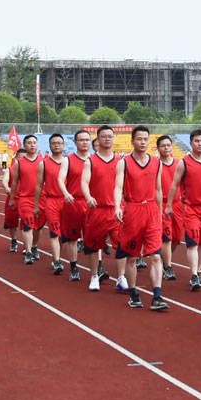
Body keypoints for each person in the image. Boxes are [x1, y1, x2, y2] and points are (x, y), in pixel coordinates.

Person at [114, 126, 168, 311]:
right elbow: (117, 188)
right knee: (131, 257)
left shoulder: (156, 162)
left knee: (155, 255)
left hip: (152, 210)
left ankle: (157, 296)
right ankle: (133, 293)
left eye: (146, 139)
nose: (143, 142)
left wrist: (160, 212)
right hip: (132, 210)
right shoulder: (124, 163)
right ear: (132, 141)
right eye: (139, 139)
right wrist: (117, 207)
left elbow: (159, 189)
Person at [79, 125, 125, 292]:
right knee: (93, 245)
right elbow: (84, 182)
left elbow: (123, 185)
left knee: (120, 244)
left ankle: (121, 277)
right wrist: (88, 197)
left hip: (115, 210)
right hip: (96, 210)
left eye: (110, 136)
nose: (107, 139)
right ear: (97, 139)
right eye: (103, 136)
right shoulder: (90, 161)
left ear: (114, 139)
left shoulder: (120, 161)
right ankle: (94, 276)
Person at [166, 129, 201, 291]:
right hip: (190, 208)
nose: (200, 144)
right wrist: (169, 205)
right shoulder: (184, 163)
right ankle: (193, 275)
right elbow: (174, 185)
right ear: (191, 143)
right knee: (192, 242)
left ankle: (198, 272)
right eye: (196, 141)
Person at [57, 129, 92, 282]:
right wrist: (66, 193)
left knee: (93, 236)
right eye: (81, 140)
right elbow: (60, 179)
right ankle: (74, 267)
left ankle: (97, 269)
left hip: (92, 203)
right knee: (71, 238)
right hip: (73, 202)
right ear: (76, 142)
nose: (85, 142)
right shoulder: (68, 160)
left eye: (87, 140)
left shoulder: (95, 159)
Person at [35, 133, 67, 275]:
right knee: (54, 232)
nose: (56, 145)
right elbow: (39, 185)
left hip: (66, 202)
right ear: (49, 146)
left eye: (59, 143)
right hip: (51, 201)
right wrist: (36, 205)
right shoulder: (44, 163)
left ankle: (57, 257)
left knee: (62, 234)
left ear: (63, 145)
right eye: (54, 143)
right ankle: (57, 261)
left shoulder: (68, 162)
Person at [10, 134, 45, 264]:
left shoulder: (43, 161)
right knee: (27, 225)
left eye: (34, 142)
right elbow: (14, 182)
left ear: (37, 145)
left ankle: (34, 246)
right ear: (25, 145)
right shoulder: (19, 162)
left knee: (38, 227)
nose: (32, 145)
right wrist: (13, 198)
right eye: (29, 143)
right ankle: (28, 251)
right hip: (25, 198)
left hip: (41, 198)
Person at [156, 135, 181, 282]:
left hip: (178, 205)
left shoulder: (179, 164)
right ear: (158, 148)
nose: (166, 148)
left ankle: (163, 257)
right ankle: (168, 266)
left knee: (177, 238)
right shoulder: (155, 165)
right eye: (163, 145)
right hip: (163, 204)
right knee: (167, 237)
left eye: (168, 145)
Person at [1, 148, 25, 253]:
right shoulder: (10, 170)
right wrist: (7, 188)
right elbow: (5, 181)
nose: (23, 160)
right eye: (21, 157)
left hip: (26, 199)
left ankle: (27, 245)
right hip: (13, 199)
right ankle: (14, 241)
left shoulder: (32, 170)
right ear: (16, 158)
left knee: (27, 223)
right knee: (12, 223)